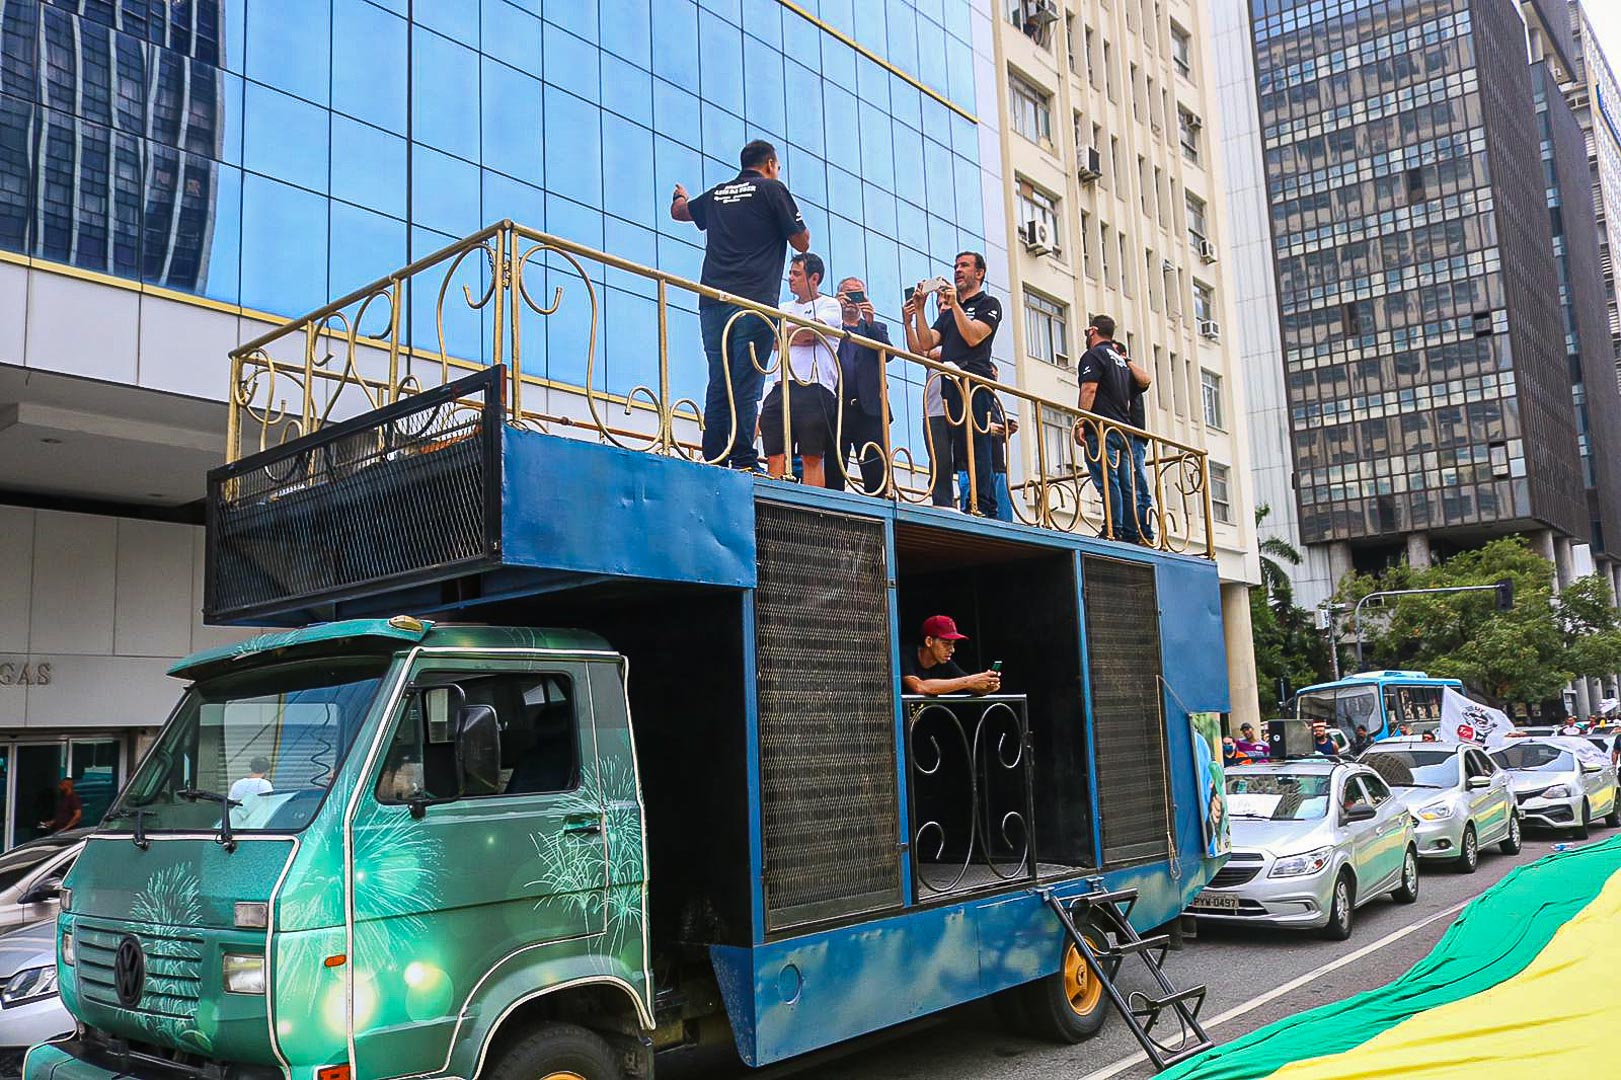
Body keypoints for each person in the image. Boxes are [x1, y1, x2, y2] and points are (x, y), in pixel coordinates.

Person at [671, 139, 811, 470]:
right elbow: (802, 242)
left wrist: (680, 195)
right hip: (753, 303)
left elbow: (680, 213)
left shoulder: (719, 192)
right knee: (747, 382)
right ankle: (744, 458)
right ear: (771, 164)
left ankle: (715, 454)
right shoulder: (773, 190)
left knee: (719, 379)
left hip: (713, 301)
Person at [904, 253, 1003, 516]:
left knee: (976, 445)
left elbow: (973, 337)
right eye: (956, 266)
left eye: (964, 266)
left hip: (974, 383)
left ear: (979, 273)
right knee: (948, 449)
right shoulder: (948, 313)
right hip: (949, 383)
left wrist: (955, 306)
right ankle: (948, 504)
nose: (958, 270)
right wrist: (921, 310)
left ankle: (983, 506)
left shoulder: (988, 303)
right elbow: (926, 343)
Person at [759, 253, 842, 486]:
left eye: (797, 273)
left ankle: (814, 511)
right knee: (775, 449)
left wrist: (792, 335)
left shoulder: (830, 304)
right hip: (780, 384)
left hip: (814, 385)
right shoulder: (784, 307)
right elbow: (772, 341)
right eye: (791, 273)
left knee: (811, 453)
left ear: (814, 278)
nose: (790, 278)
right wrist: (798, 334)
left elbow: (810, 333)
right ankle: (774, 502)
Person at [1076, 316, 1151, 543]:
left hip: (1102, 428)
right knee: (1125, 483)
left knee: (1108, 480)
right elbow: (1143, 382)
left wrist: (1081, 421)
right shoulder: (1120, 361)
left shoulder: (1094, 355)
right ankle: (1129, 531)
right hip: (1123, 429)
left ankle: (1113, 529)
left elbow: (1089, 389)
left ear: (1093, 331)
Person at [825, 276, 893, 494]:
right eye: (848, 294)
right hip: (837, 408)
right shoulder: (830, 324)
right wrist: (835, 310)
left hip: (869, 409)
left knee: (875, 471)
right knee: (834, 471)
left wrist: (870, 320)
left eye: (858, 295)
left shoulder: (875, 327)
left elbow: (888, 354)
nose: (853, 300)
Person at [957, 361, 1017, 522]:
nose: (993, 382)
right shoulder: (966, 395)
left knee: (1003, 521)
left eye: (995, 378)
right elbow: (960, 426)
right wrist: (986, 428)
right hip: (972, 467)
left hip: (996, 466)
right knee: (974, 518)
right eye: (991, 376)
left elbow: (996, 437)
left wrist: (1006, 432)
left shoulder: (994, 403)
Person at [901, 615, 1001, 696]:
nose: (952, 650)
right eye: (946, 644)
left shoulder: (946, 663)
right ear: (929, 641)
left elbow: (972, 686)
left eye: (953, 644)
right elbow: (919, 687)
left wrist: (987, 685)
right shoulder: (905, 655)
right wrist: (970, 681)